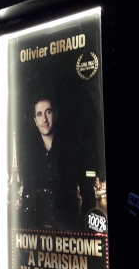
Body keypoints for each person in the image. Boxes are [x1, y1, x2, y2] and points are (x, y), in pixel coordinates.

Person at [19, 96, 95, 231]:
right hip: (38, 231)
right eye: (39, 114)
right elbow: (27, 196)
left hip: (68, 231)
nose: (44, 119)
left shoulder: (71, 150)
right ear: (35, 121)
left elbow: (88, 194)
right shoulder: (30, 156)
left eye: (48, 112)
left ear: (55, 114)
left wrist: (83, 229)